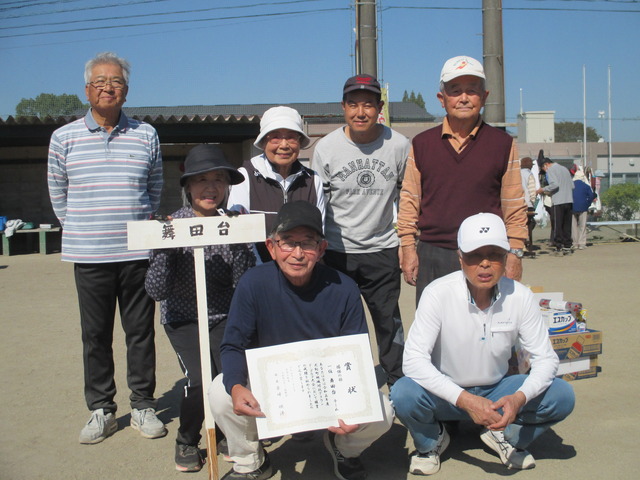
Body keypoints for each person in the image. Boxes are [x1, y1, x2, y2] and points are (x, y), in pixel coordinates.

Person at [208, 201, 394, 480]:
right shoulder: (253, 283)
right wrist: (236, 386)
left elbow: (356, 356)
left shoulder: (344, 288)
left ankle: (344, 448)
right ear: (271, 247)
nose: (297, 253)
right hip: (274, 388)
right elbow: (232, 344)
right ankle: (250, 461)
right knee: (220, 392)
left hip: (326, 387)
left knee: (383, 411)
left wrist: (354, 407)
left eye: (307, 243)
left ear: (321, 249)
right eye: (287, 243)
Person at [390, 213, 575, 475]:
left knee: (561, 395)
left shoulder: (520, 296)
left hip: (498, 390)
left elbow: (546, 359)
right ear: (460, 257)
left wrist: (518, 398)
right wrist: (465, 400)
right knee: (403, 393)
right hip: (448, 392)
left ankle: (506, 435)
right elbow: (413, 360)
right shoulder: (437, 293)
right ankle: (431, 441)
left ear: (506, 257)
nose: (485, 264)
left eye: (495, 254)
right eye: (475, 255)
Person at [47, 52, 166, 444]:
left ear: (126, 91)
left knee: (140, 332)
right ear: (87, 90)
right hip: (90, 254)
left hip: (137, 253)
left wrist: (137, 228)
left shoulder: (146, 134)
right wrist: (86, 229)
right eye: (99, 81)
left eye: (114, 81)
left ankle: (144, 405)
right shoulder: (63, 137)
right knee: (95, 334)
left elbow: (154, 188)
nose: (107, 87)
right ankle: (101, 409)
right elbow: (58, 195)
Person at [145, 145, 256, 472]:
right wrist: (168, 248)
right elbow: (156, 289)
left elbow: (243, 282)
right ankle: (187, 438)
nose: (211, 188)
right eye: (202, 180)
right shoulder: (171, 224)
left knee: (231, 378)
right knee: (198, 379)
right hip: (183, 318)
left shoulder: (234, 223)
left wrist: (238, 242)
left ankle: (227, 432)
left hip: (223, 315)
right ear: (188, 186)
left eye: (219, 180)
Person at [397, 55, 528, 304]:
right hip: (433, 253)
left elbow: (513, 201)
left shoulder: (502, 144)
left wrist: (515, 252)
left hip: (487, 254)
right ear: (442, 99)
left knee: (490, 331)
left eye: (472, 90)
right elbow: (410, 199)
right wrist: (407, 247)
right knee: (436, 334)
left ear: (484, 96)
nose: (464, 98)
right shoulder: (422, 144)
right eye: (455, 91)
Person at [313, 74, 411, 386]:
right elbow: (317, 203)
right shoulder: (326, 148)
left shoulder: (398, 145)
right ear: (343, 107)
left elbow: (408, 197)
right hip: (336, 253)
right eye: (353, 104)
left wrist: (408, 244)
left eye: (368, 105)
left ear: (379, 107)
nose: (360, 112)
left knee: (388, 322)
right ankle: (345, 386)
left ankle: (398, 383)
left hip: (382, 251)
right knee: (338, 324)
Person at [227, 105, 325, 262]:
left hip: (301, 270)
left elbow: (318, 234)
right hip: (258, 272)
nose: (284, 145)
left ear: (300, 142)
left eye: (291, 137)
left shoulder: (313, 180)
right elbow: (239, 235)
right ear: (264, 142)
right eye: (275, 137)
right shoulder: (245, 176)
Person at [536, 156, 574, 255]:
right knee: (567, 225)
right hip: (569, 199)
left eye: (543, 169)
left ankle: (558, 246)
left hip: (558, 201)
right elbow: (572, 185)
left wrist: (543, 189)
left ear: (546, 165)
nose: (545, 171)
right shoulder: (564, 169)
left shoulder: (551, 170)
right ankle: (567, 246)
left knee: (557, 225)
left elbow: (555, 184)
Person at [571, 169, 596, 250]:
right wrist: (587, 203)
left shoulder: (570, 185)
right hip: (583, 207)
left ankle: (574, 243)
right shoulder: (586, 186)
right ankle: (581, 243)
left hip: (572, 207)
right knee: (582, 225)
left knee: (573, 226)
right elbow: (592, 196)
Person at [520, 157, 538, 252]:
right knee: (530, 224)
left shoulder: (516, 173)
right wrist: (533, 201)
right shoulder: (529, 174)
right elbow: (532, 191)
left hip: (517, 203)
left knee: (519, 224)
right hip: (527, 204)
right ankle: (525, 242)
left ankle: (520, 242)